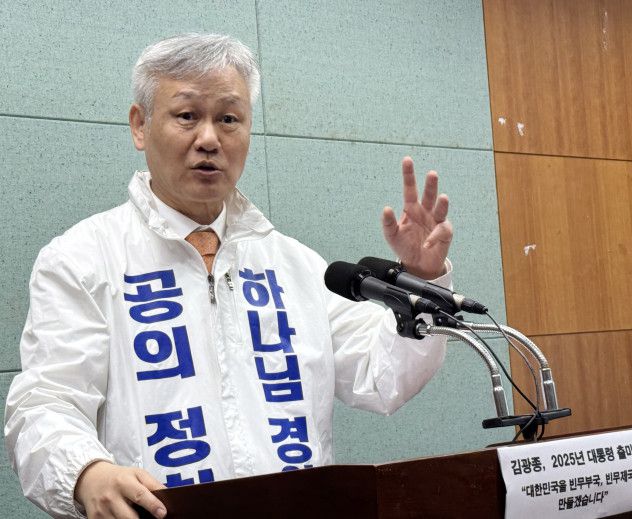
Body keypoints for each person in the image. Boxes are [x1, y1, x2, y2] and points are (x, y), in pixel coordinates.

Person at [4, 34, 454, 519]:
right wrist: (86, 472)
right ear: (140, 125)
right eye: (186, 115)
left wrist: (422, 278)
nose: (209, 139)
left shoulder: (294, 265)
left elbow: (380, 376)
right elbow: (45, 404)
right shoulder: (82, 259)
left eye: (228, 119)